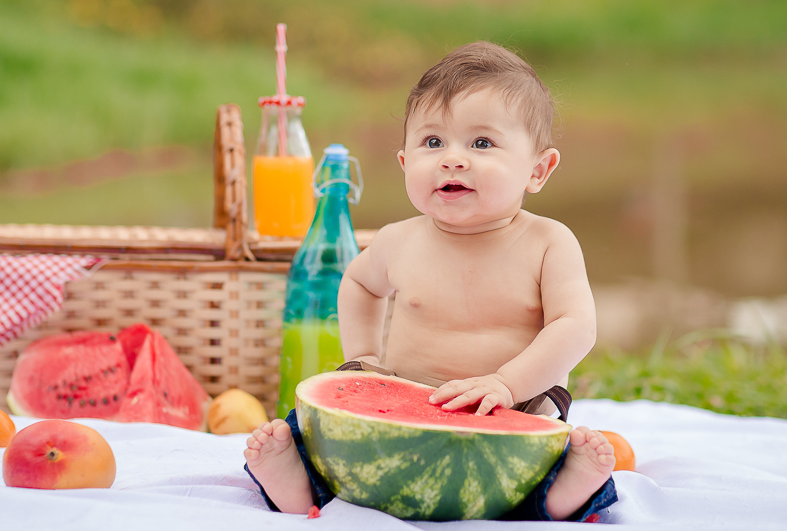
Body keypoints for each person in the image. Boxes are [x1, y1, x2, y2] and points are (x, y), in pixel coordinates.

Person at [244, 42, 618, 522]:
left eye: (481, 143)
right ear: (405, 164)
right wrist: (363, 360)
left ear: (538, 170)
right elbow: (358, 284)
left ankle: (564, 494)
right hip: (397, 403)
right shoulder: (399, 240)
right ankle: (296, 485)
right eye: (433, 142)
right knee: (306, 432)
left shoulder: (549, 242)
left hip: (516, 409)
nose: (453, 159)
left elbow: (576, 325)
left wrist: (509, 383)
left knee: (554, 456)